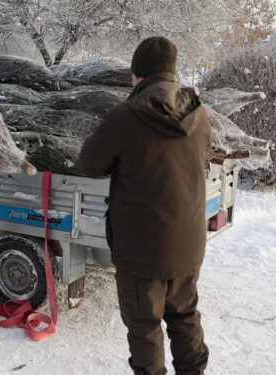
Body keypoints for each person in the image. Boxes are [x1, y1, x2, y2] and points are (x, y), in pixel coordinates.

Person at [77, 36, 211, 375]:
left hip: (142, 249)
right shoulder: (200, 116)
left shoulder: (126, 116)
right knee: (184, 317)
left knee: (145, 328)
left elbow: (89, 164)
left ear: (137, 75)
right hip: (188, 242)